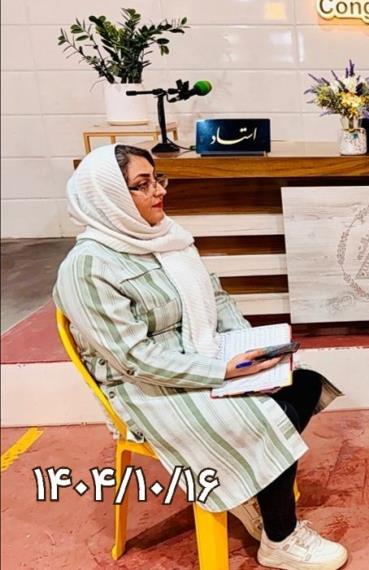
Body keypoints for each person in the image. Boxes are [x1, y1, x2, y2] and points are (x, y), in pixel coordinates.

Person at [53, 144, 348, 570]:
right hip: (147, 387)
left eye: (157, 179)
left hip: (200, 355)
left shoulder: (165, 236)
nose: (159, 191)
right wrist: (221, 370)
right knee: (269, 415)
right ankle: (279, 537)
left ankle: (251, 490)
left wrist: (245, 346)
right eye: (142, 185)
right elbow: (133, 358)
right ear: (109, 196)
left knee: (302, 383)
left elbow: (216, 297)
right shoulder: (87, 268)